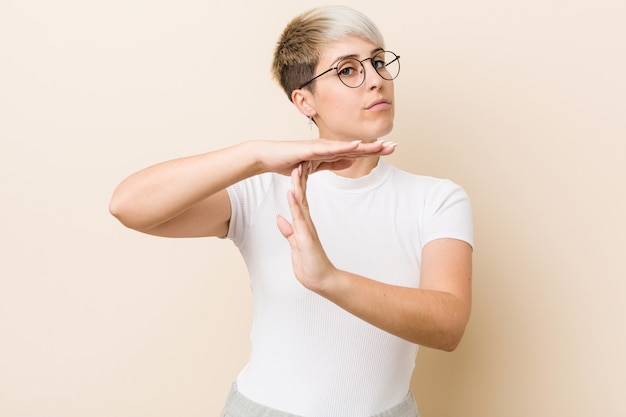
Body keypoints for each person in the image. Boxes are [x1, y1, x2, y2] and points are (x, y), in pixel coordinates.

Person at [109, 5, 473, 417]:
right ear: (304, 101)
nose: (375, 80)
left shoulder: (437, 199)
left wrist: (330, 280)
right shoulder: (261, 188)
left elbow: (448, 326)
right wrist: (256, 155)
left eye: (377, 62)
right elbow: (128, 205)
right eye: (348, 70)